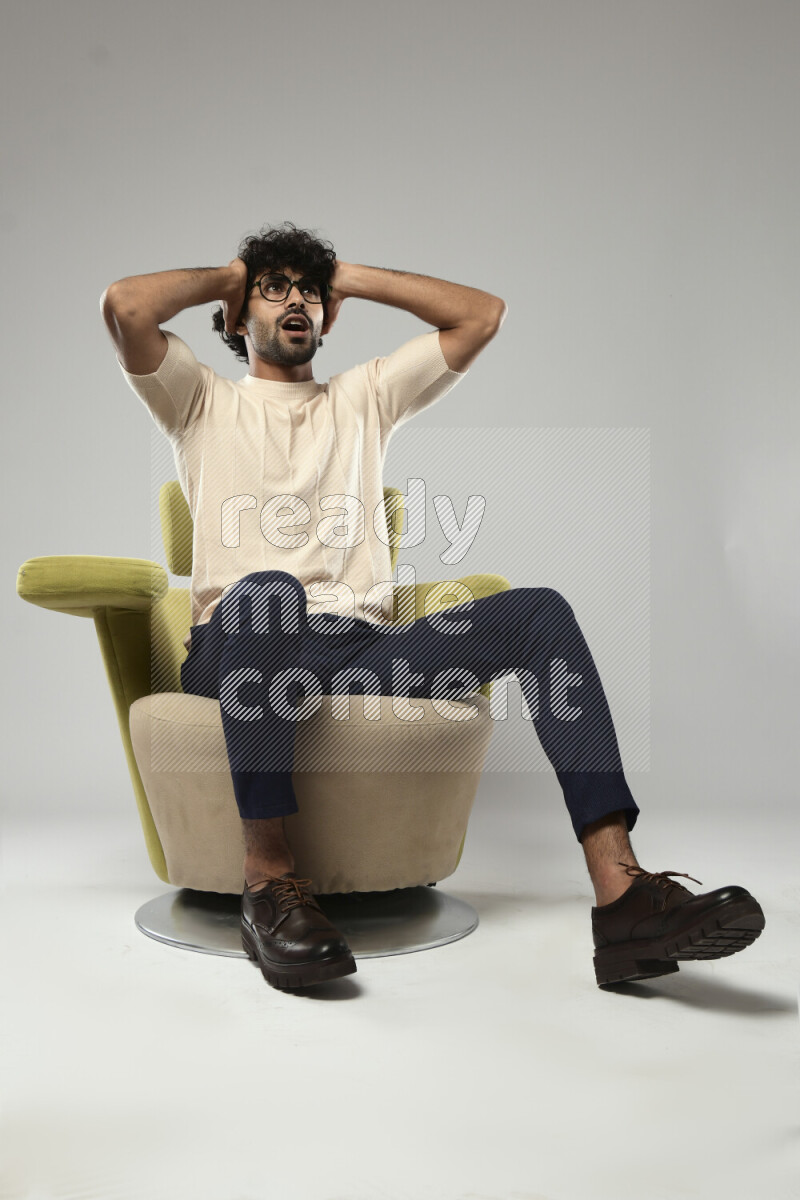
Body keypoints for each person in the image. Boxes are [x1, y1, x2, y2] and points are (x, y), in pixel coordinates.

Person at [100, 222, 765, 993]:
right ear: (234, 316)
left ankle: (622, 898)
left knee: (538, 612)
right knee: (270, 592)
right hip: (240, 646)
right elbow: (126, 306)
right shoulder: (198, 401)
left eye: (309, 293)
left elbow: (481, 315)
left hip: (357, 651)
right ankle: (269, 885)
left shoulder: (364, 399)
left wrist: (342, 276)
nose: (296, 301)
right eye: (274, 290)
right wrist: (231, 275)